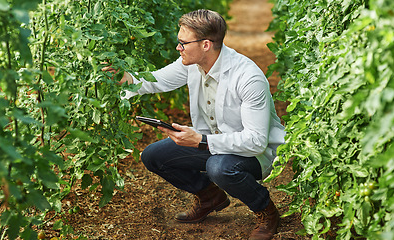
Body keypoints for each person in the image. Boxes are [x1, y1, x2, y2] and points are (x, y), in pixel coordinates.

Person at [113, 9, 285, 240]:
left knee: (219, 167)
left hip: (255, 154)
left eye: (183, 43)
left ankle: (266, 211)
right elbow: (156, 81)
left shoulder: (247, 78)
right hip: (212, 143)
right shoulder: (191, 64)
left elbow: (255, 142)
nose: (178, 48)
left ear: (205, 45)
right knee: (153, 156)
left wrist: (202, 140)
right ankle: (210, 197)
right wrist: (126, 78)